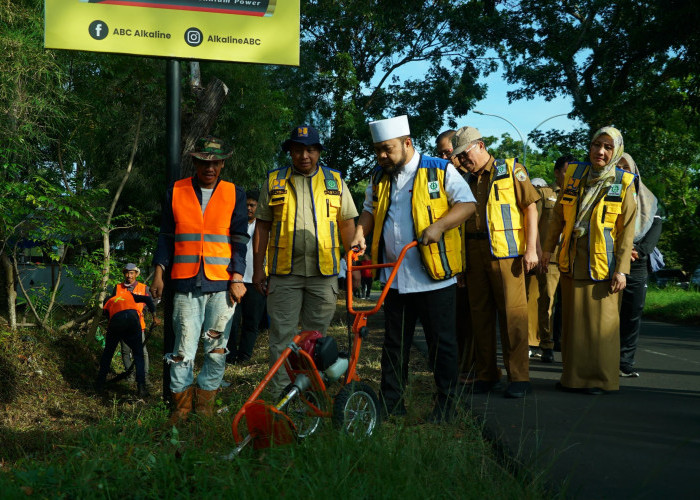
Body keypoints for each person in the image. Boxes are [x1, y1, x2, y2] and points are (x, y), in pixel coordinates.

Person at [351, 115, 475, 423]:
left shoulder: (439, 169)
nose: (381, 155)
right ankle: (391, 405)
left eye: (387, 149)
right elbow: (369, 211)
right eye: (377, 149)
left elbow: (467, 204)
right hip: (394, 278)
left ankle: (446, 408)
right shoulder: (379, 177)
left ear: (407, 143)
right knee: (394, 345)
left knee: (441, 345)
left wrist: (438, 227)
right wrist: (359, 234)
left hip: (434, 277)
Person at [253, 125, 358, 396]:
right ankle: (280, 396)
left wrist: (354, 266)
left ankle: (310, 395)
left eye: (310, 149)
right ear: (290, 152)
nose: (304, 156)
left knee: (316, 340)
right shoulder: (274, 180)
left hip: (324, 275)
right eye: (298, 150)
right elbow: (262, 228)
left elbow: (347, 224)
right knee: (281, 339)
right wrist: (257, 269)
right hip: (284, 273)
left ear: (318, 151)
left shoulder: (335, 180)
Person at [151, 136, 248, 425]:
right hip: (184, 281)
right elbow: (166, 236)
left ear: (222, 164)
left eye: (216, 162)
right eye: (205, 161)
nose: (211, 167)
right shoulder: (176, 191)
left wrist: (238, 277)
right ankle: (180, 406)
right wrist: (159, 272)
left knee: (216, 349)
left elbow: (240, 239)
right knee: (183, 349)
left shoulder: (235, 193)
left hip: (222, 284)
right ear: (195, 162)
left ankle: (205, 403)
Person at [542, 126, 637, 394]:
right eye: (597, 145)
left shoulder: (623, 182)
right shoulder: (574, 174)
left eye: (608, 147)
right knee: (573, 324)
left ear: (616, 151)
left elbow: (626, 232)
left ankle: (600, 380)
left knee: (601, 327)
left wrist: (622, 271)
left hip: (604, 266)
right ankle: (572, 378)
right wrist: (547, 249)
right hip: (572, 259)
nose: (601, 152)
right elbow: (559, 217)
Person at [451, 126, 540, 399]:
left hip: (507, 255)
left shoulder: (512, 170)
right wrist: (461, 265)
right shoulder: (464, 180)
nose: (463, 161)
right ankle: (487, 374)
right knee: (481, 317)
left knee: (513, 316)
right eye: (459, 157)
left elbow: (530, 208)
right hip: (474, 252)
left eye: (465, 154)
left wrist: (531, 250)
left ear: (480, 145)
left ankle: (519, 377)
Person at [617, 153, 662, 377]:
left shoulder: (649, 198)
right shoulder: (606, 193)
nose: (623, 170)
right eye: (618, 166)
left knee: (632, 314)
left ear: (635, 171)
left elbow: (655, 228)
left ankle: (624, 362)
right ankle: (603, 359)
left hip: (637, 263)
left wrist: (639, 251)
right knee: (608, 315)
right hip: (610, 260)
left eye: (627, 167)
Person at [436, 129, 475, 383]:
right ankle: (457, 367)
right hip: (450, 258)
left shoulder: (474, 177)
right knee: (454, 319)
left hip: (474, 255)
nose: (446, 157)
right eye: (440, 153)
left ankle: (471, 368)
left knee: (472, 317)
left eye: (449, 152)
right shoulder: (440, 178)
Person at [226, 189, 267, 365]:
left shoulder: (264, 227)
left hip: (256, 281)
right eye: (246, 205)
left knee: (251, 322)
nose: (249, 208)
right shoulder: (235, 224)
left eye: (252, 205)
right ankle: (229, 356)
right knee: (232, 323)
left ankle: (244, 357)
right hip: (236, 280)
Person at [97, 284, 159, 398]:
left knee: (108, 353)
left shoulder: (107, 303)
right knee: (138, 355)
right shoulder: (128, 294)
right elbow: (147, 298)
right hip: (132, 319)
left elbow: (109, 318)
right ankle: (141, 388)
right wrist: (154, 315)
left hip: (116, 322)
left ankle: (100, 384)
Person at [111, 263, 154, 385]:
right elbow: (113, 303)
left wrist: (145, 310)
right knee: (125, 351)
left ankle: (145, 377)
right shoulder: (118, 287)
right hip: (122, 325)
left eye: (131, 273)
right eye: (127, 273)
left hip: (138, 325)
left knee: (142, 352)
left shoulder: (143, 288)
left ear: (136, 274)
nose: (129, 275)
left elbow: (151, 301)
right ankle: (130, 376)